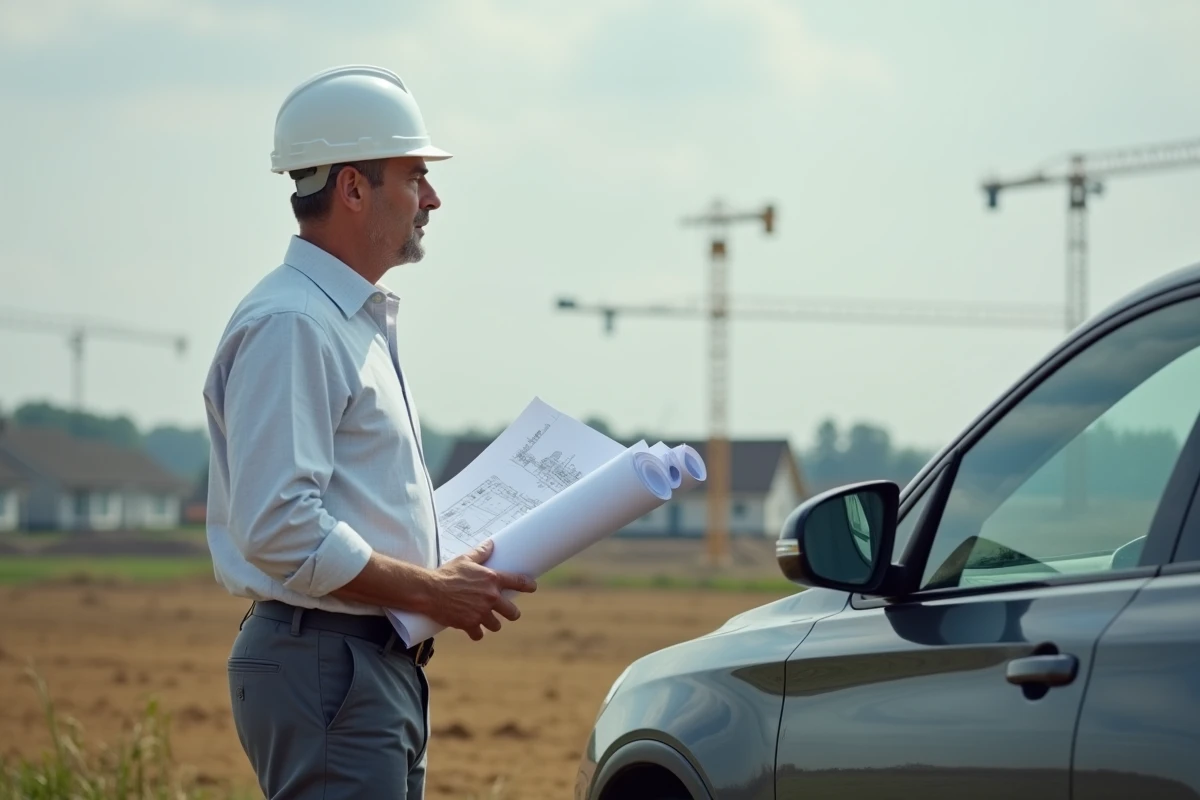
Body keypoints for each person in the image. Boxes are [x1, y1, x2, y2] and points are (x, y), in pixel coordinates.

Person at [201, 64, 537, 799]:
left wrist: (447, 568)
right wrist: (429, 588)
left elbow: (343, 505)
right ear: (353, 188)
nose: (434, 197)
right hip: (331, 663)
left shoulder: (339, 319)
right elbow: (281, 526)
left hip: (357, 663)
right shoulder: (295, 323)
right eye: (415, 175)